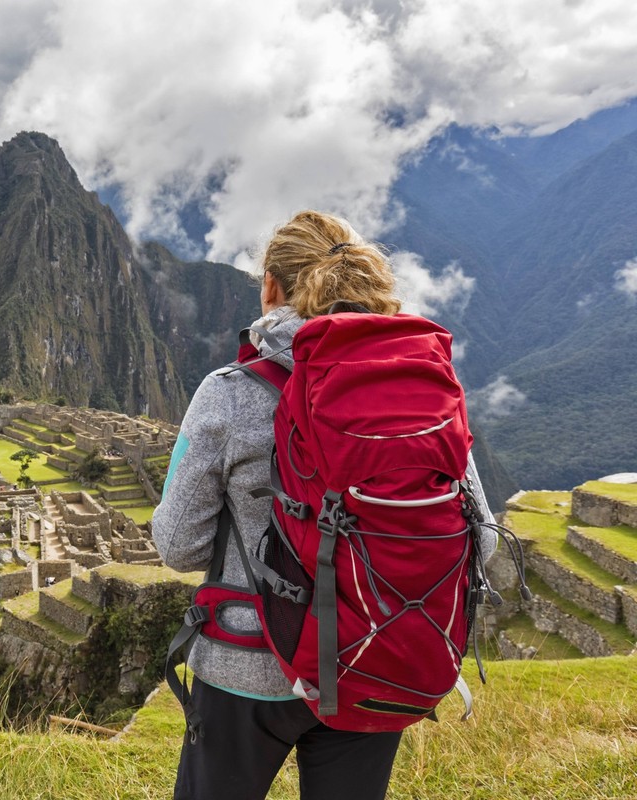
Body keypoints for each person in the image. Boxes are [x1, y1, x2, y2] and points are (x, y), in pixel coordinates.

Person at [151, 210, 497, 800]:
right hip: (374, 656)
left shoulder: (230, 393)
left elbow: (178, 545)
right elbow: (481, 539)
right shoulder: (418, 388)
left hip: (247, 664)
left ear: (270, 287)